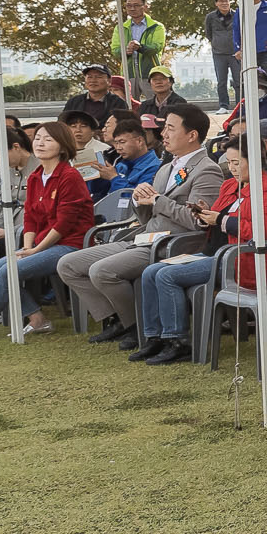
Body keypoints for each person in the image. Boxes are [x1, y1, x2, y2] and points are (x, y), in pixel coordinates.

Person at [52, 104, 225, 350]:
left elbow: (197, 221)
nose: (163, 134)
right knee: (68, 264)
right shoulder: (167, 167)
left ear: (192, 135)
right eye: (164, 128)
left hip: (172, 244)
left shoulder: (207, 170)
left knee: (102, 271)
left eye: (170, 129)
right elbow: (148, 216)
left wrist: (157, 200)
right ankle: (122, 319)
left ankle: (136, 326)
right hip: (144, 236)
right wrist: (140, 200)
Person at [127, 141, 267, 366]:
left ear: (255, 162)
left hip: (238, 261)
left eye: (237, 162)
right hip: (215, 254)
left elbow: (260, 232)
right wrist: (202, 214)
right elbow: (214, 217)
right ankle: (155, 336)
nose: (232, 167)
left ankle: (179, 341)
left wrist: (219, 220)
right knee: (151, 271)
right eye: (229, 162)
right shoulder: (230, 186)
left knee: (166, 275)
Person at [0, 121, 93, 344]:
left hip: (70, 244)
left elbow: (64, 224)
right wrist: (28, 246)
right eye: (38, 138)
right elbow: (30, 217)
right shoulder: (35, 176)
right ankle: (37, 318)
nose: (40, 143)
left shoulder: (69, 176)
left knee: (7, 270)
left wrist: (36, 250)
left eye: (48, 139)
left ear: (62, 146)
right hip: (43, 243)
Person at [112, 0, 167, 103]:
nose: (132, 8)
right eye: (129, 5)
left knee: (156, 103)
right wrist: (125, 51)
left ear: (145, 7)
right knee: (129, 104)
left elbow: (157, 47)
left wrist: (140, 47)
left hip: (150, 72)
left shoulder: (157, 26)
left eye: (136, 5)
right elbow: (115, 50)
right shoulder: (120, 27)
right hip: (129, 73)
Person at [203, 0, 242, 104]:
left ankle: (240, 104)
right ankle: (223, 105)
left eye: (226, 1)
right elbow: (208, 33)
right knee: (221, 81)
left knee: (239, 81)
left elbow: (241, 32)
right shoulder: (210, 17)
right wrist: (216, 42)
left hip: (236, 53)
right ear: (216, 3)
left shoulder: (237, 15)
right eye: (221, 1)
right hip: (218, 53)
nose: (224, 3)